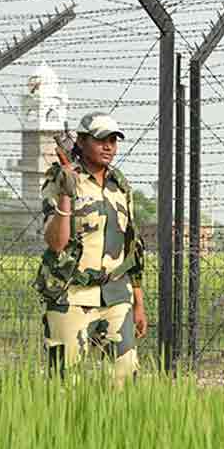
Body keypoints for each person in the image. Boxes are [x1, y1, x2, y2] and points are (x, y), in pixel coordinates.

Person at [33, 112, 147, 386]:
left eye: (113, 140)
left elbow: (132, 245)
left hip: (116, 296)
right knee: (63, 382)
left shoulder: (119, 184)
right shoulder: (60, 178)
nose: (108, 146)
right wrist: (65, 194)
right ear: (82, 142)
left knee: (126, 377)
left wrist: (139, 303)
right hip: (71, 295)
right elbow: (56, 243)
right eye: (100, 140)